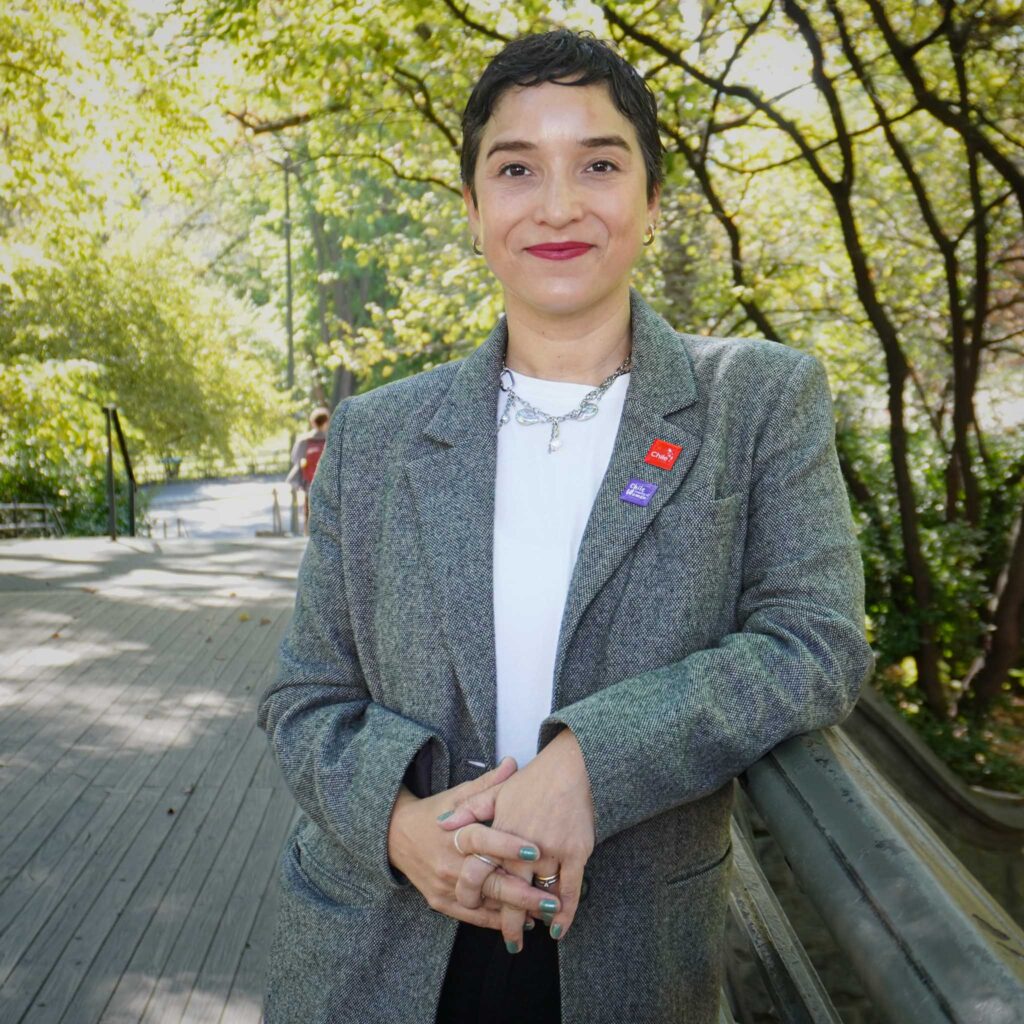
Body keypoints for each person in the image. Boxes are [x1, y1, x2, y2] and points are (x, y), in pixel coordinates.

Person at [256, 28, 875, 1024]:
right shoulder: (377, 435)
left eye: (598, 164)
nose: (556, 205)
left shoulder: (756, 399)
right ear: (473, 212)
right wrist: (399, 828)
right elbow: (304, 697)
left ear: (653, 202)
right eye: (515, 169)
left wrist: (592, 761)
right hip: (376, 944)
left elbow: (816, 642)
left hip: (629, 952)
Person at [285, 406, 330, 533]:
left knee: (309, 510)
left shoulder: (304, 440)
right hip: (328, 484)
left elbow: (295, 459)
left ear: (312, 422)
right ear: (326, 421)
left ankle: (309, 534)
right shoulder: (331, 439)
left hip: (309, 483)